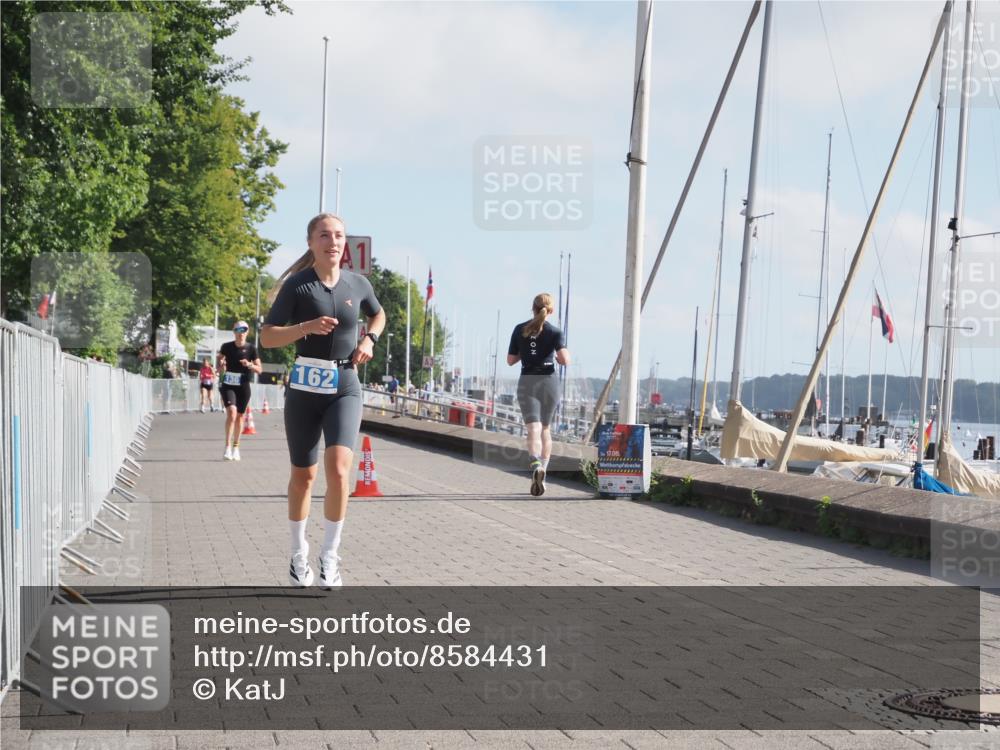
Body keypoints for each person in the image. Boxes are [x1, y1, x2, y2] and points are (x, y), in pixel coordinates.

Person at [261, 213, 385, 589]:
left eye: (339, 236)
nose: (333, 242)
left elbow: (378, 315)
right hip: (304, 386)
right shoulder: (298, 287)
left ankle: (330, 555)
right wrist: (305, 328)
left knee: (340, 470)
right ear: (311, 242)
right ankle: (299, 555)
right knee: (304, 475)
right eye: (325, 236)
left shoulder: (358, 283)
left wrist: (370, 340)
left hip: (345, 383)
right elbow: (267, 337)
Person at [507, 293, 570, 497]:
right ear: (550, 310)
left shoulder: (519, 329)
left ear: (532, 308)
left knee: (532, 428)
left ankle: (535, 464)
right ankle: (543, 467)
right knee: (545, 428)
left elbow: (510, 360)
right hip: (549, 382)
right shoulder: (555, 332)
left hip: (528, 381)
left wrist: (527, 351)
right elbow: (563, 360)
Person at [218, 321, 261, 461]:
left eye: (244, 329)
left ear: (247, 331)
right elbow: (219, 362)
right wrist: (220, 364)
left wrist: (249, 365)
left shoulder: (251, 349)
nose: (241, 332)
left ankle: (236, 447)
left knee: (240, 417)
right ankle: (227, 447)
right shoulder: (226, 347)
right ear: (234, 331)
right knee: (231, 412)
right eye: (238, 329)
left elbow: (260, 369)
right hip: (229, 384)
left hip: (243, 385)